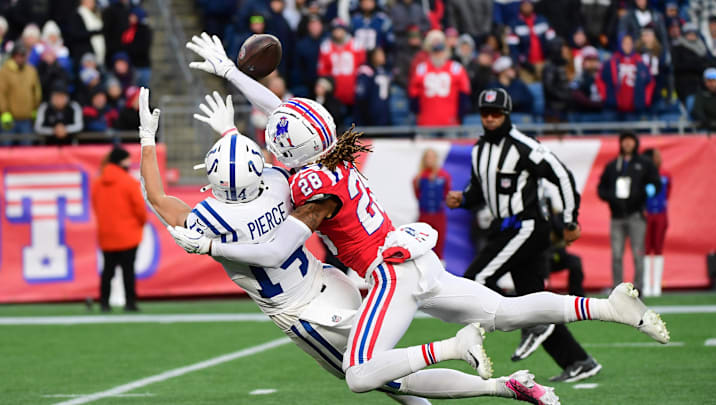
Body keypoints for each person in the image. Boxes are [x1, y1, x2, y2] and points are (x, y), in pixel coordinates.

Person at [177, 32, 669, 401]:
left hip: (390, 274)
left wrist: (212, 246)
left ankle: (453, 347)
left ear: (289, 147)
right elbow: (282, 109)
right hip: (418, 260)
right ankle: (608, 309)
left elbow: (280, 247)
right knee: (503, 311)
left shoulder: (311, 184)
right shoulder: (337, 153)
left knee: (359, 374)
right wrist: (232, 74)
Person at [138, 86, 513, 405]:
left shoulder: (211, 221)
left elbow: (157, 197)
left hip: (302, 311)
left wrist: (147, 141)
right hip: (331, 279)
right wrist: (230, 131)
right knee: (384, 368)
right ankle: (499, 386)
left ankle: (457, 353)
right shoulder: (278, 182)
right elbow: (279, 136)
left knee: (375, 375)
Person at [447, 88, 602, 382]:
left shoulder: (523, 145)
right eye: (485, 113)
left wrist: (570, 220)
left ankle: (510, 331)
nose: (490, 119)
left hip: (527, 226)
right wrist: (463, 199)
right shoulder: (480, 150)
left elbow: (562, 175)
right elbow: (479, 190)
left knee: (476, 280)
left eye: (496, 114)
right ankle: (579, 360)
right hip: (503, 228)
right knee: (533, 302)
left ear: (507, 115)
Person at [597, 131, 661, 294]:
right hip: (617, 217)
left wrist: (644, 193)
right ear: (620, 143)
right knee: (617, 255)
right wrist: (611, 197)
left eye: (630, 141)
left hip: (636, 216)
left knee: (637, 254)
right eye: (624, 141)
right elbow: (601, 188)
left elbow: (655, 183)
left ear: (635, 143)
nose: (627, 144)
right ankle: (617, 290)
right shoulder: (613, 166)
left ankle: (639, 288)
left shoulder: (644, 163)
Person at [92, 146, 146, 312]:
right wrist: (140, 224)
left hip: (106, 234)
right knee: (128, 271)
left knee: (107, 271)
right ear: (121, 161)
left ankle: (104, 302)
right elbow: (140, 210)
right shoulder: (129, 182)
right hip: (128, 234)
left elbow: (95, 205)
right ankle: (130, 302)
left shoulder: (98, 182)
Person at [408, 37, 471, 126]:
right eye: (435, 51)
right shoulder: (421, 68)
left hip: (450, 121)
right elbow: (413, 93)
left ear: (446, 52)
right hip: (426, 122)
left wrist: (460, 115)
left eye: (440, 51)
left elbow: (464, 93)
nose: (438, 54)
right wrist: (417, 112)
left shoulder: (456, 68)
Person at [318, 18, 366, 109]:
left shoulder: (356, 45)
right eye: (335, 29)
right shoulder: (326, 46)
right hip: (335, 93)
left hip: (354, 90)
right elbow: (323, 71)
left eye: (340, 29)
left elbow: (362, 68)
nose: (337, 32)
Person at [0, 43, 42, 145]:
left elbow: (36, 91)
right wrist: (4, 112)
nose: (20, 58)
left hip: (27, 118)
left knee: (27, 151)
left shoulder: (31, 71)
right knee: (6, 149)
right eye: (17, 56)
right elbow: (1, 93)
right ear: (13, 56)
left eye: (22, 55)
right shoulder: (4, 71)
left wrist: (35, 108)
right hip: (10, 118)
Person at [642, 148, 671, 297]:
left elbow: (667, 194)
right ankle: (647, 284)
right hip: (647, 214)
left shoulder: (666, 175)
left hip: (661, 214)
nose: (657, 159)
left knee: (659, 248)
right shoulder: (644, 175)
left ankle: (657, 285)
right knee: (646, 248)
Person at [413, 149, 451, 259]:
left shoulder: (444, 176)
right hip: (424, 216)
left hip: (439, 215)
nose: (430, 160)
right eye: (428, 157)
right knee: (422, 247)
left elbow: (446, 194)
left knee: (439, 246)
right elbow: (418, 196)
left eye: (432, 157)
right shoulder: (418, 178)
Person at [34, 81, 83, 146]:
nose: (59, 100)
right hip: (48, 146)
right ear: (52, 97)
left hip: (70, 147)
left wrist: (65, 129)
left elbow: (79, 126)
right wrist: (54, 131)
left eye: (62, 97)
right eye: (57, 96)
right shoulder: (44, 107)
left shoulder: (74, 107)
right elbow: (37, 127)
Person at [672, 22, 709, 104]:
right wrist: (694, 65)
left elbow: (706, 63)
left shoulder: (702, 46)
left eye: (693, 33)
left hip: (702, 85)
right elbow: (676, 66)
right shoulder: (678, 47)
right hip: (686, 86)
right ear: (684, 34)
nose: (691, 35)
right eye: (689, 33)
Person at [355, 47, 392, 126]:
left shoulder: (384, 70)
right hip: (369, 114)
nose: (383, 56)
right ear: (373, 56)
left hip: (383, 113)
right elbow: (361, 96)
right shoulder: (366, 71)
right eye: (379, 54)